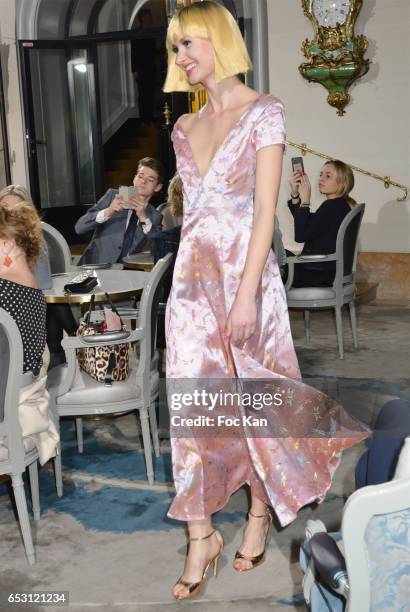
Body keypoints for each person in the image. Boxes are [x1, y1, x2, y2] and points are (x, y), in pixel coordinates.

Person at [163, 1, 368, 601]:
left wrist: (248, 293)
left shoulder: (264, 112)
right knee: (194, 405)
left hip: (246, 278)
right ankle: (200, 534)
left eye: (189, 43)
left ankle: (258, 514)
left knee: (262, 403)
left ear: (219, 41)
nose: (180, 57)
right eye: (175, 48)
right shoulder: (182, 128)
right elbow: (190, 218)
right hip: (191, 285)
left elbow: (262, 213)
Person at [0, 203, 59, 465]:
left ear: (6, 244)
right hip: (23, 399)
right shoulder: (33, 292)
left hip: (5, 408)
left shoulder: (4, 293)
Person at [0, 185, 77, 369]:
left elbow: (43, 283)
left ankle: (70, 343)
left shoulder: (9, 290)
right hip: (27, 369)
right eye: (5, 207)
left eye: (16, 210)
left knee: (50, 305)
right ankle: (73, 340)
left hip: (14, 376)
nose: (10, 215)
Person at [75, 157, 164, 264]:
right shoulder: (113, 195)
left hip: (126, 272)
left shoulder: (154, 215)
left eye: (150, 180)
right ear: (134, 178)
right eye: (140, 176)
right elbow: (79, 228)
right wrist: (109, 210)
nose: (143, 182)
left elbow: (159, 249)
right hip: (95, 268)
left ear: (157, 187)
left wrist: (144, 218)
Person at [287, 160, 356, 287]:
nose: (321, 179)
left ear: (342, 183)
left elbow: (300, 236)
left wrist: (306, 200)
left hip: (316, 274)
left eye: (328, 176)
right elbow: (307, 223)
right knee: (276, 253)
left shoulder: (331, 207)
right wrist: (295, 194)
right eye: (321, 175)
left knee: (270, 252)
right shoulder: (339, 206)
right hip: (324, 272)